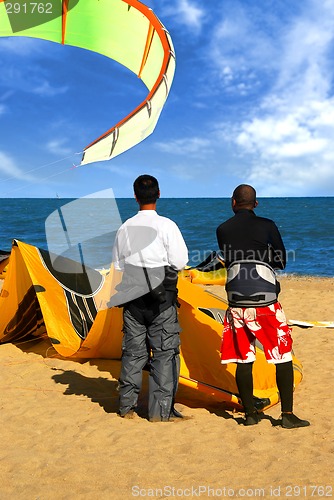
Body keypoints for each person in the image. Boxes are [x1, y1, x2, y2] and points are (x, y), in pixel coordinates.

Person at [216, 184, 310, 428]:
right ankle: (287, 415)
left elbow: (228, 258)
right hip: (265, 302)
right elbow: (281, 261)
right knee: (282, 356)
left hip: (237, 303)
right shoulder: (267, 225)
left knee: (244, 359)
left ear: (233, 202)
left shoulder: (222, 229)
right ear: (255, 204)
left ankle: (249, 414)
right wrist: (263, 255)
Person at [111, 174, 188, 421]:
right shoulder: (167, 226)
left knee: (133, 353)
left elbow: (118, 266)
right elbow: (180, 262)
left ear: (135, 197)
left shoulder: (124, 228)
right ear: (158, 194)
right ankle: (160, 412)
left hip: (133, 300)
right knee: (165, 354)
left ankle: (127, 408)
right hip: (162, 300)